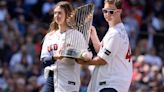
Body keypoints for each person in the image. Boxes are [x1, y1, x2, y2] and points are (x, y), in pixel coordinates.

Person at [77, 0, 133, 92]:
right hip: (112, 83)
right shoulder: (114, 30)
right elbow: (102, 52)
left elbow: (102, 60)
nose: (107, 14)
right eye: (105, 11)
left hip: (112, 83)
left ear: (119, 11)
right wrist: (93, 35)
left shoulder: (115, 33)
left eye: (111, 11)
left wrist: (83, 62)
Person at [40, 1, 92, 92]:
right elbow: (44, 61)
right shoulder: (49, 36)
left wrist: (80, 55)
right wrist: (55, 57)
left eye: (60, 13)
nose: (56, 15)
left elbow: (87, 55)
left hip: (68, 78)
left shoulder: (77, 35)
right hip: (52, 77)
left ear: (67, 15)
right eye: (55, 13)